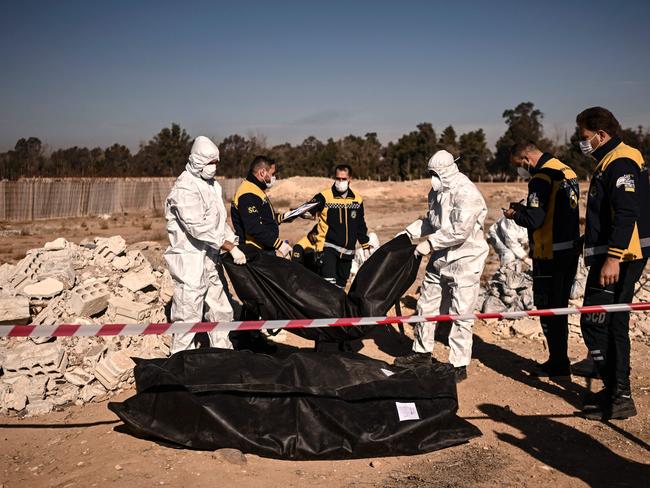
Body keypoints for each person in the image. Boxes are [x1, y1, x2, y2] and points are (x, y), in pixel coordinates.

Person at [575, 107, 649, 420]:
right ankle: (614, 390)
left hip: (622, 257)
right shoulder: (614, 160)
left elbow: (627, 212)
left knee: (599, 321)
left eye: (585, 137)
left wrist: (613, 258)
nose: (582, 143)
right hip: (619, 255)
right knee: (603, 322)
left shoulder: (621, 162)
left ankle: (619, 395)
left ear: (601, 135)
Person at [394, 150, 488, 383]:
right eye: (430, 173)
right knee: (426, 305)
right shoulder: (436, 192)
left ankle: (458, 364)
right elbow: (431, 220)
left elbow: (459, 230)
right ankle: (421, 352)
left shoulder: (466, 193)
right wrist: (409, 232)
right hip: (440, 259)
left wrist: (430, 243)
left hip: (466, 260)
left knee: (461, 314)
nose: (431, 178)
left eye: (434, 173)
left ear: (445, 171)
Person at [164, 136, 246, 355]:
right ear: (198, 162)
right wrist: (227, 245)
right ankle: (181, 361)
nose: (215, 167)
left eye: (216, 162)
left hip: (210, 258)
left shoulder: (212, 186)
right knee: (188, 314)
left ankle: (223, 356)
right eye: (211, 163)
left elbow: (218, 221)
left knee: (221, 310)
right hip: (189, 260)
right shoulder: (184, 188)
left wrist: (234, 242)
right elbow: (197, 227)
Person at [505, 141, 581, 377]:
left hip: (549, 254)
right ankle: (559, 360)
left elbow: (535, 220)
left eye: (519, 165)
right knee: (559, 308)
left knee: (548, 308)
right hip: (568, 249)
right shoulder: (566, 171)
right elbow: (551, 212)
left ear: (526, 158)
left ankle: (558, 362)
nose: (521, 170)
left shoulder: (541, 178)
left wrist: (515, 215)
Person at [304, 164, 372, 288]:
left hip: (348, 252)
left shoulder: (357, 200)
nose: (340, 182)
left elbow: (360, 224)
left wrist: (365, 245)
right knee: (329, 288)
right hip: (328, 248)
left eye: (343, 179)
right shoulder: (324, 197)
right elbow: (307, 210)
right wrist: (303, 213)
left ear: (350, 178)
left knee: (340, 289)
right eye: (338, 178)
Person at [231, 155, 293, 257]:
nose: (273, 178)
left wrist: (285, 216)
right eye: (272, 174)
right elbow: (253, 227)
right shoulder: (247, 193)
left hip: (263, 250)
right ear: (262, 172)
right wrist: (279, 244)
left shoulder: (256, 189)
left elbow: (264, 218)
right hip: (254, 253)